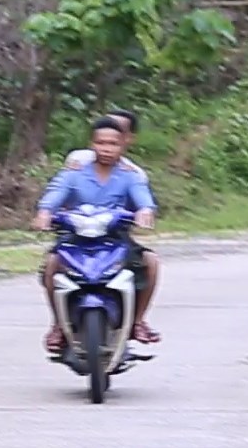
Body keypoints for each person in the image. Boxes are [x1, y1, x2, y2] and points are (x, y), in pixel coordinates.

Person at [33, 115, 162, 352]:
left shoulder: (130, 175)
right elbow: (55, 193)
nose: (106, 149)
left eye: (112, 144)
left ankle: (138, 321)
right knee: (52, 263)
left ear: (123, 144)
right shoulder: (74, 172)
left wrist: (145, 211)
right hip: (76, 238)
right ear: (92, 144)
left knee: (150, 262)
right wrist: (44, 212)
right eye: (101, 143)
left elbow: (143, 199)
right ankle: (58, 325)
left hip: (114, 238)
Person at [63, 108, 144, 173]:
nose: (109, 133)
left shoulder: (135, 174)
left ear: (131, 138)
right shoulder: (78, 158)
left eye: (117, 129)